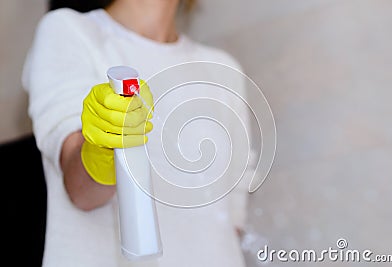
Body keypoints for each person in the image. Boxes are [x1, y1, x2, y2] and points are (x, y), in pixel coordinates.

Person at [22, 0, 252, 266]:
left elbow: (231, 214)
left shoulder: (224, 69)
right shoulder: (70, 31)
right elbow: (81, 192)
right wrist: (103, 150)